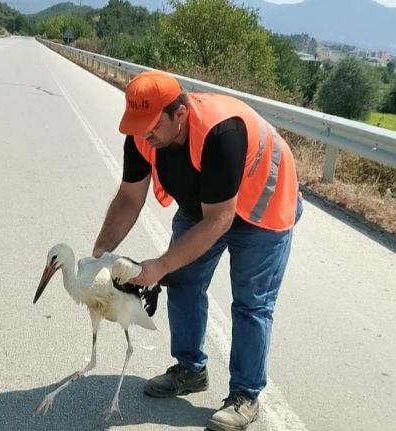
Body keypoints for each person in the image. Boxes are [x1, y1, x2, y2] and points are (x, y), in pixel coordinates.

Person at [91, 70, 302, 431]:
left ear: (181, 115)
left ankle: (245, 395)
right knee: (184, 283)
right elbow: (128, 198)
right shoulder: (143, 136)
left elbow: (220, 220)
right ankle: (190, 370)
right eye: (138, 125)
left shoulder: (222, 133)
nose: (145, 134)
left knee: (251, 304)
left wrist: (159, 265)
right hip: (206, 204)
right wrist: (98, 256)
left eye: (152, 125)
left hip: (263, 207)